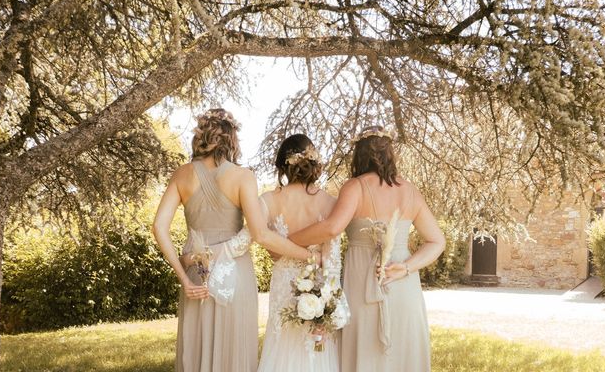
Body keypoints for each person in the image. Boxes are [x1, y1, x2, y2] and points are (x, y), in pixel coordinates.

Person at [152, 109, 316, 372]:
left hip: (196, 272)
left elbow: (159, 227)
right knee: (234, 349)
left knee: (197, 346)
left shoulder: (181, 175)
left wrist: (184, 278)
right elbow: (260, 234)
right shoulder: (242, 177)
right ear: (231, 139)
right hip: (235, 271)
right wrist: (306, 254)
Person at [290, 126, 445, 372]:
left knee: (366, 352)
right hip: (403, 286)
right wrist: (405, 268)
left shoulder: (355, 187)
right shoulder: (410, 191)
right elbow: (437, 241)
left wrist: (290, 240)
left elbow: (331, 228)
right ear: (390, 154)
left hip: (363, 285)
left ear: (359, 154)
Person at [258, 134, 349, 372]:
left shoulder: (268, 200)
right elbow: (332, 261)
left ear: (282, 166)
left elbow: (270, 248)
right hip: (320, 285)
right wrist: (329, 306)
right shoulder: (331, 203)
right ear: (314, 163)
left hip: (283, 285)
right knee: (316, 349)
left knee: (282, 343)